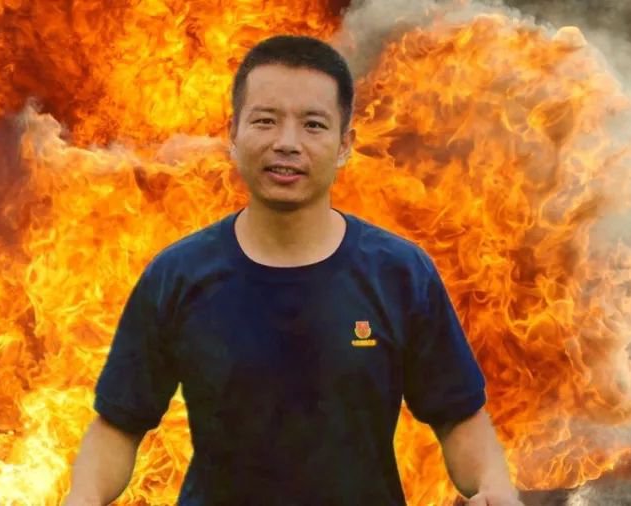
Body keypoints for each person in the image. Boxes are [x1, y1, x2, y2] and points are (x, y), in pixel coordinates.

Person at [65, 35, 522, 506]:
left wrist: (493, 487)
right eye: (265, 120)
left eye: (313, 125)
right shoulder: (177, 275)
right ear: (233, 134)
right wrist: (83, 497)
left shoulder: (401, 274)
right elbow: (119, 425)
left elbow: (458, 417)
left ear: (344, 145)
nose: (287, 143)